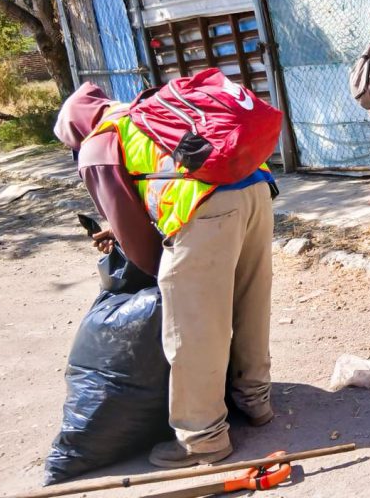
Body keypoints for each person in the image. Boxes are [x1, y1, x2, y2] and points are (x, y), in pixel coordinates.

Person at [54, 82, 276, 467]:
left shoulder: (96, 144)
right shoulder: (143, 112)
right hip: (256, 189)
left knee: (193, 328)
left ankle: (202, 438)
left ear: (75, 129)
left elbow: (137, 240)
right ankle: (255, 400)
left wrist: (164, 278)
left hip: (204, 207)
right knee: (250, 301)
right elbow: (155, 180)